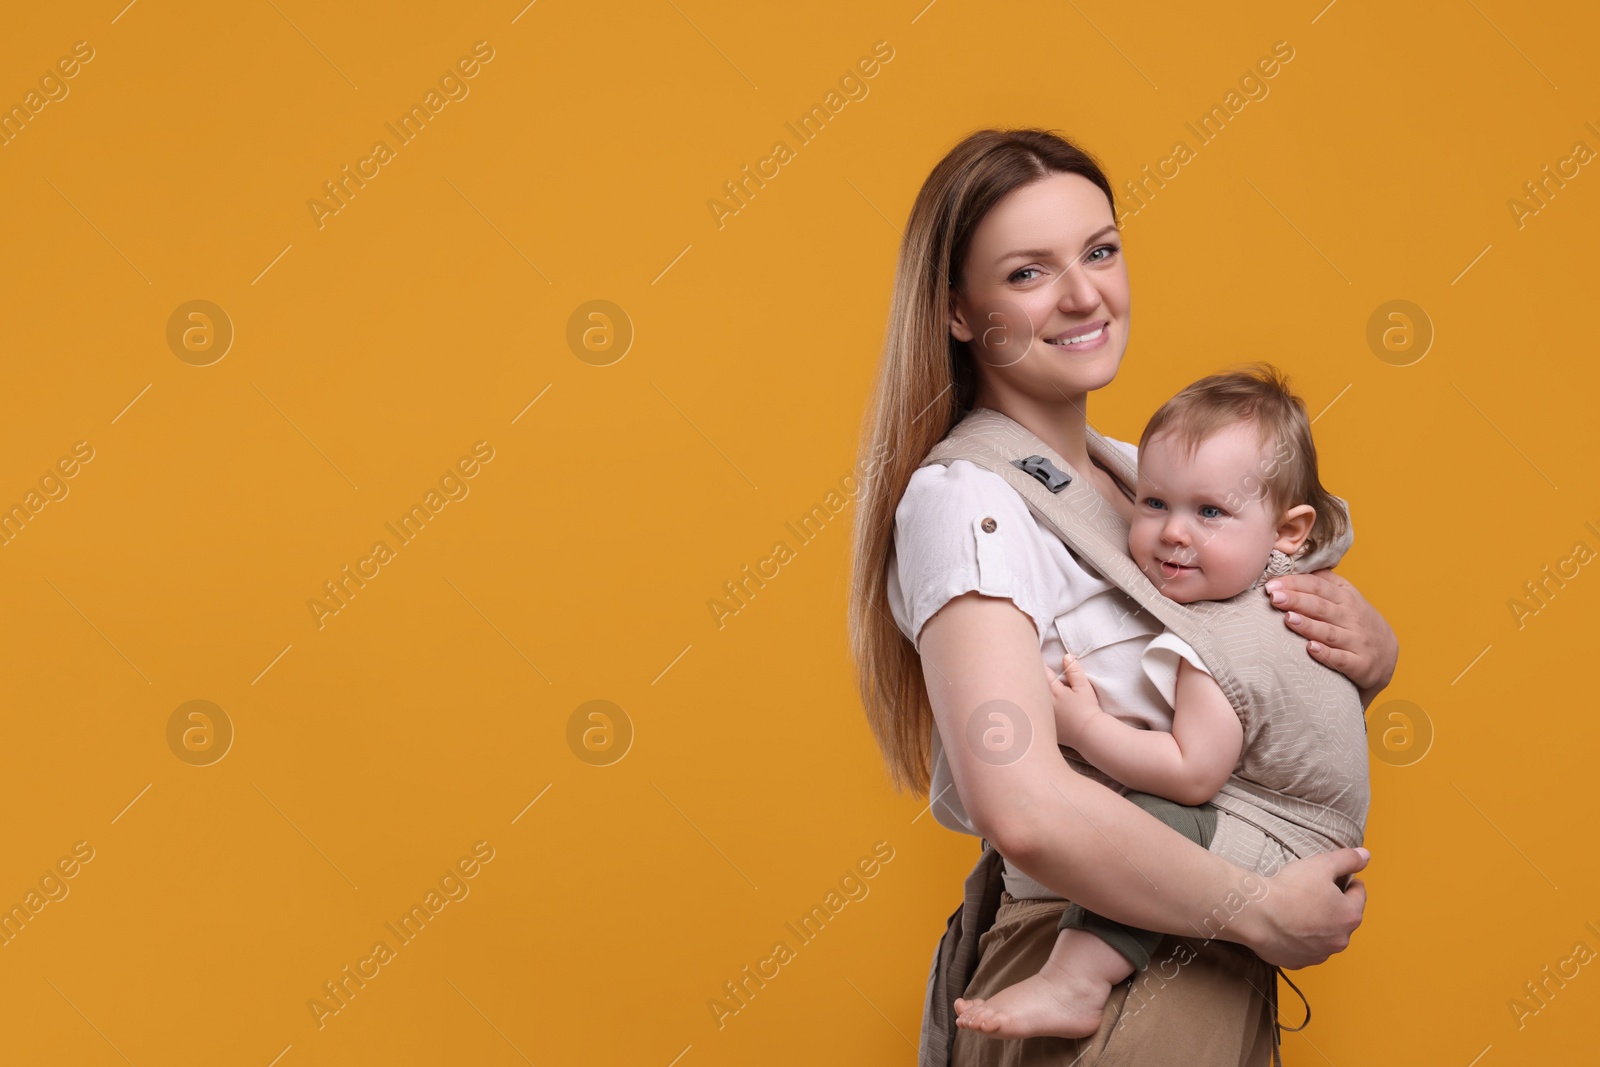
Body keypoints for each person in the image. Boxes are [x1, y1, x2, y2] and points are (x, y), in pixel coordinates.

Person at [847, 128, 1399, 1067]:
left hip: (1210, 961)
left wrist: (1370, 652)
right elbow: (1025, 808)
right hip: (1098, 963)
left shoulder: (1145, 480)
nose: (1083, 294)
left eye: (1099, 250)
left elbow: (1239, 697)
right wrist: (1260, 907)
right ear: (957, 312)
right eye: (1027, 273)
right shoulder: (967, 500)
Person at [952, 365, 1371, 1041]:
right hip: (1311, 830)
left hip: (1291, 839)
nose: (1175, 532)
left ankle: (1075, 981)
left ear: (1290, 530)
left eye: (1209, 512)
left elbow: (1190, 771)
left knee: (1158, 818)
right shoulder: (1289, 575)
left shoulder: (1224, 640)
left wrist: (1083, 725)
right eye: (1154, 504)